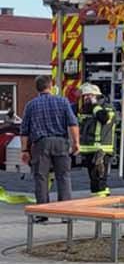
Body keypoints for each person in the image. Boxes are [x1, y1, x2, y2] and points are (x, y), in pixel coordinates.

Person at [20, 75, 79, 205]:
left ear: (37, 88)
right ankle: (65, 212)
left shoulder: (30, 105)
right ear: (51, 86)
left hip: (40, 144)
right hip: (61, 142)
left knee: (41, 178)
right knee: (63, 177)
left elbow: (24, 130)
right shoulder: (63, 102)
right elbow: (73, 123)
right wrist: (76, 143)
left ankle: (42, 213)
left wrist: (24, 150)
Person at [75, 83, 115, 196]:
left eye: (89, 96)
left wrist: (95, 105)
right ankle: (99, 202)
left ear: (96, 96)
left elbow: (104, 118)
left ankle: (102, 205)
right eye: (85, 96)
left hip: (101, 151)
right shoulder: (86, 109)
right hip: (89, 150)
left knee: (99, 180)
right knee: (94, 181)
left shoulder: (105, 109)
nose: (86, 99)